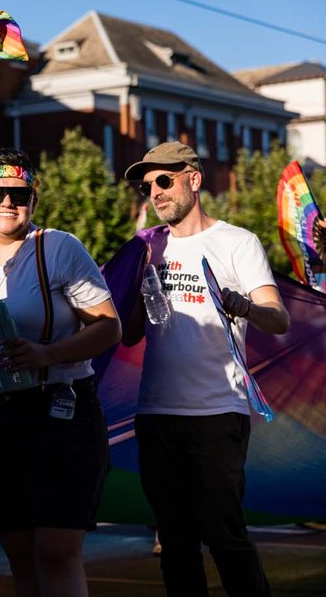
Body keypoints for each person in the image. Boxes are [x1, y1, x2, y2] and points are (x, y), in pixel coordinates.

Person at [0, 148, 121, 597]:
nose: (7, 203)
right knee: (20, 554)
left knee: (56, 550)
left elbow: (109, 327)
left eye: (19, 194)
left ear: (33, 200)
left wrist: (47, 354)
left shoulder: (58, 247)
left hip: (61, 411)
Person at [121, 141, 289, 597]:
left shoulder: (236, 241)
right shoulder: (144, 248)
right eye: (146, 185)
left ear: (194, 179)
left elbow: (279, 319)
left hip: (218, 410)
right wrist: (132, 291)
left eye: (164, 180)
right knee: (174, 542)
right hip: (156, 412)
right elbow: (130, 334)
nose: (154, 191)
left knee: (224, 535)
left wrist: (243, 304)